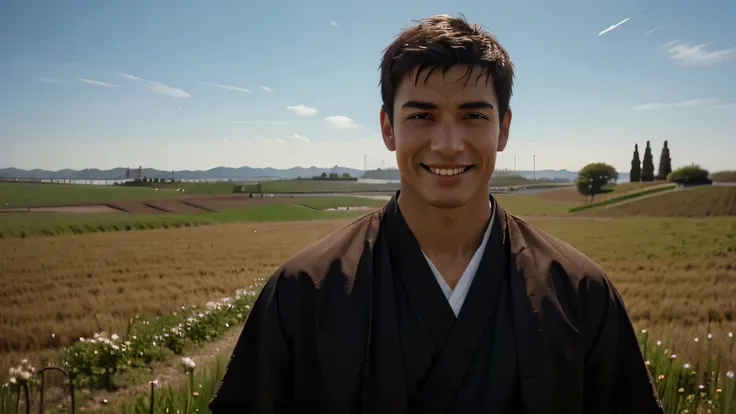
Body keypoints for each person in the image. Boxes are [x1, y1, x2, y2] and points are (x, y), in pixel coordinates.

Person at [209, 14, 663, 414]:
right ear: (388, 128)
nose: (448, 144)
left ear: (504, 129)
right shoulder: (304, 290)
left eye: (473, 116)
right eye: (422, 116)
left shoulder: (579, 292)